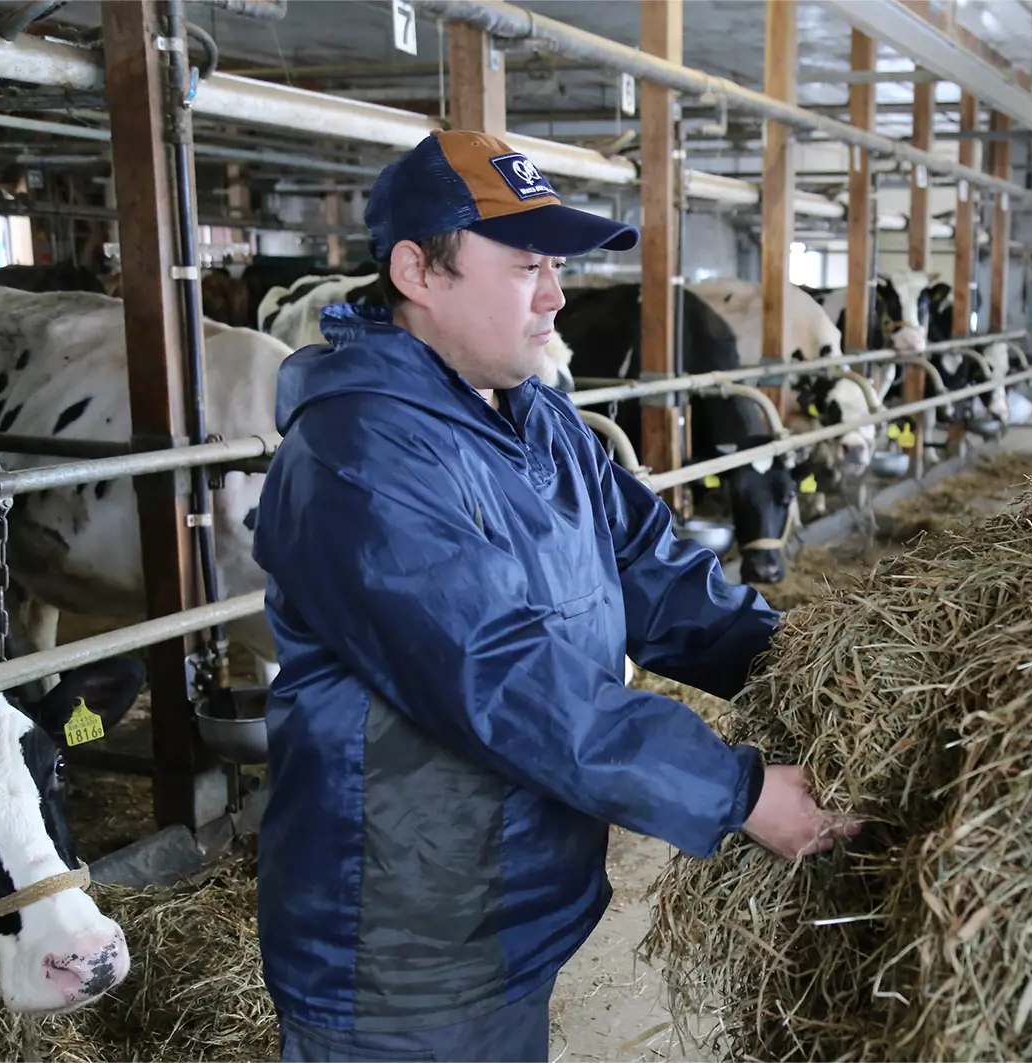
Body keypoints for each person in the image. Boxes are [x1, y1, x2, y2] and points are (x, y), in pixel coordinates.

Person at [251, 130, 860, 1063]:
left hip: (506, 904)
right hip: (401, 940)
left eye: (557, 265)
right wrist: (736, 792)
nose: (557, 294)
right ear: (418, 270)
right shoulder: (361, 457)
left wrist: (826, 673)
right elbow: (501, 674)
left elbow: (654, 576)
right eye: (527, 264)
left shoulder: (534, 417)